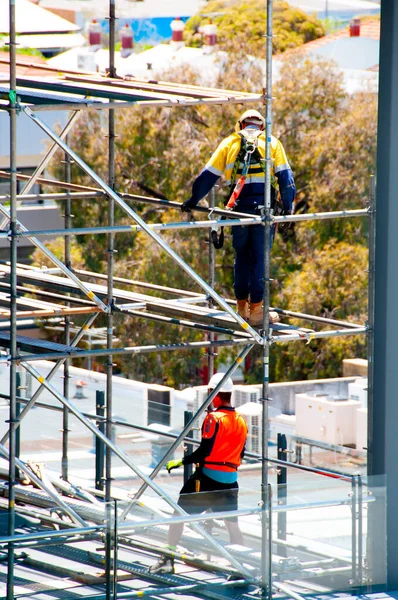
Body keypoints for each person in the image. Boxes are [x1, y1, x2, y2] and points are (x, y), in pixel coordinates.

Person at [181, 109, 296, 326]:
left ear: (241, 125)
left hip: (237, 211)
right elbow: (286, 179)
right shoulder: (272, 142)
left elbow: (207, 177)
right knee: (260, 258)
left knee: (242, 257)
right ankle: (256, 311)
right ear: (261, 126)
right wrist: (288, 209)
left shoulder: (230, 143)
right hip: (263, 212)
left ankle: (241, 307)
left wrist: (193, 200)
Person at [149, 372, 248, 575]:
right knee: (232, 526)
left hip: (207, 480)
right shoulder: (241, 421)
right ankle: (241, 568)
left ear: (215, 393)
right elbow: (241, 452)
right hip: (231, 482)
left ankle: (168, 558)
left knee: (178, 515)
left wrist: (181, 461)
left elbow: (205, 451)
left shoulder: (213, 419)